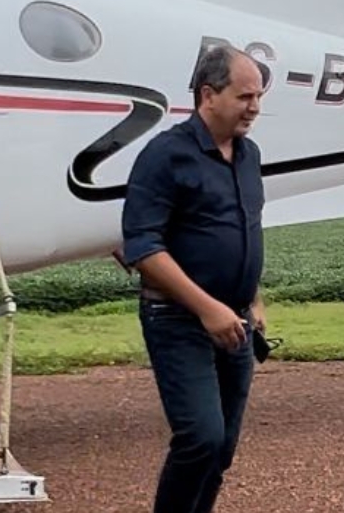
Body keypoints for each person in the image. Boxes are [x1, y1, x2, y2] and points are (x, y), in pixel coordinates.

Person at [121, 45, 268, 513]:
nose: (255, 107)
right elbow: (142, 246)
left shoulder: (248, 155)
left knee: (221, 449)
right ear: (208, 94)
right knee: (200, 437)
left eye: (258, 97)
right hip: (178, 319)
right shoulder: (166, 155)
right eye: (244, 96)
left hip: (236, 322)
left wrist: (253, 298)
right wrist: (207, 309)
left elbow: (243, 228)